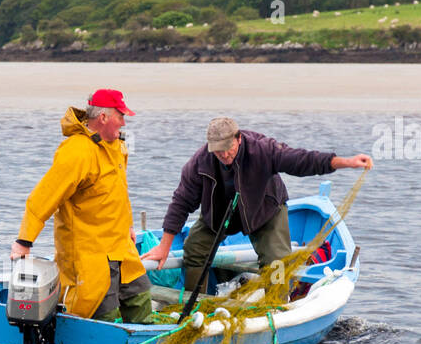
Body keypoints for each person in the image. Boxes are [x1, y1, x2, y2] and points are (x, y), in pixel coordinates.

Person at [142, 117, 373, 297]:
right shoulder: (199, 163)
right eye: (217, 150)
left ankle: (277, 304)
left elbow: (302, 160)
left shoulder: (262, 149)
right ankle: (196, 304)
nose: (223, 155)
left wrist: (345, 162)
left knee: (276, 261)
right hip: (220, 214)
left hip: (265, 210)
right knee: (194, 250)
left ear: (238, 138)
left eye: (227, 148)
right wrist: (164, 247)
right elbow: (180, 203)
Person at [10, 89, 154, 323]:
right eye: (121, 116)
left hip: (121, 248)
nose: (124, 123)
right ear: (104, 118)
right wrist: (24, 242)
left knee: (140, 299)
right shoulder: (76, 151)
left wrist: (128, 225)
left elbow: (118, 192)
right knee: (103, 314)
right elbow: (43, 198)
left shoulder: (117, 146)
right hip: (91, 255)